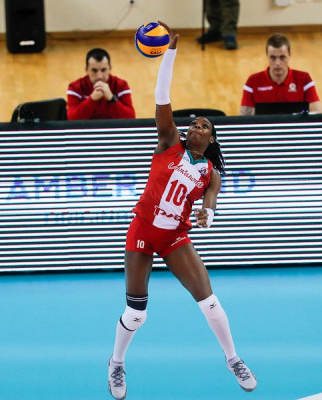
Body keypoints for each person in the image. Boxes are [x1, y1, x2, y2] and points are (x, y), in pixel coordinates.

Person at [107, 21, 257, 400]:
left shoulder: (210, 173)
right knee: (137, 313)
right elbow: (161, 94)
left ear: (211, 138)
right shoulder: (169, 142)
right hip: (143, 230)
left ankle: (233, 359)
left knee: (209, 301)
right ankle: (117, 362)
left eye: (203, 125)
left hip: (175, 236)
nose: (195, 126)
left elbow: (210, 203)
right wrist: (170, 52)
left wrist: (209, 215)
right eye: (193, 123)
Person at [240, 33, 322, 115]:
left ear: (289, 56)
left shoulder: (304, 79)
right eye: (273, 58)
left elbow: (317, 113)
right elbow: (245, 119)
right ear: (267, 56)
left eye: (282, 57)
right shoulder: (252, 82)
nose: (277, 63)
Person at [66, 48, 136, 120]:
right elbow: (72, 119)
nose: (99, 76)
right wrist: (92, 99)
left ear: (110, 69)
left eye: (103, 70)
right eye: (94, 70)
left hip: (112, 127)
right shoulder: (75, 87)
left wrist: (111, 99)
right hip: (87, 127)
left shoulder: (121, 85)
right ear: (86, 70)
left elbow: (130, 118)